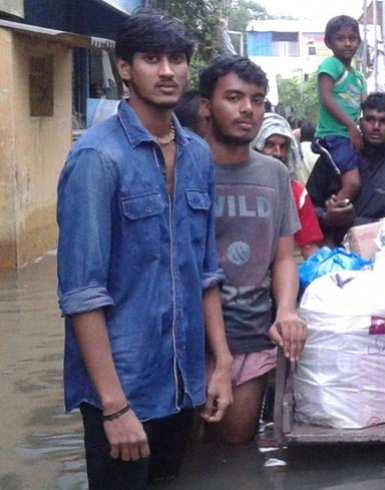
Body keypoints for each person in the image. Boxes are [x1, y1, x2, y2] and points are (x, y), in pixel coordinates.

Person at [56, 10, 233, 488]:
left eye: (177, 59)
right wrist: (114, 407)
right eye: (152, 59)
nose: (168, 70)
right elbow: (81, 293)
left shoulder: (197, 153)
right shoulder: (97, 158)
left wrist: (220, 364)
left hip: (183, 386)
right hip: (124, 389)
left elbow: (206, 271)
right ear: (124, 68)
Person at [198, 55, 306, 444]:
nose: (247, 109)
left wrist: (287, 310)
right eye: (234, 97)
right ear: (206, 107)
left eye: (257, 99)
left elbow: (283, 257)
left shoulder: (274, 174)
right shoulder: (186, 169)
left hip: (250, 332)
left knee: (234, 454)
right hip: (189, 340)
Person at [308, 92, 385, 244]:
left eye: (384, 121)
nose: (376, 127)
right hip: (332, 254)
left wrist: (356, 222)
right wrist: (327, 217)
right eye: (370, 119)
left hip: (382, 254)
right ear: (360, 122)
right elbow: (306, 206)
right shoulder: (336, 158)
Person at [251, 112, 324, 259]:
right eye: (270, 145)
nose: (278, 153)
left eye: (283, 146)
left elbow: (309, 247)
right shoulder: (238, 188)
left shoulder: (296, 192)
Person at [314, 15, 366, 211]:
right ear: (329, 42)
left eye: (352, 38)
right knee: (352, 183)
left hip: (349, 137)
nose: (347, 43)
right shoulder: (331, 65)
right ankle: (329, 217)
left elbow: (365, 105)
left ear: (359, 42)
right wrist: (352, 127)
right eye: (340, 38)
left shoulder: (359, 77)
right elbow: (326, 98)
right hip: (333, 136)